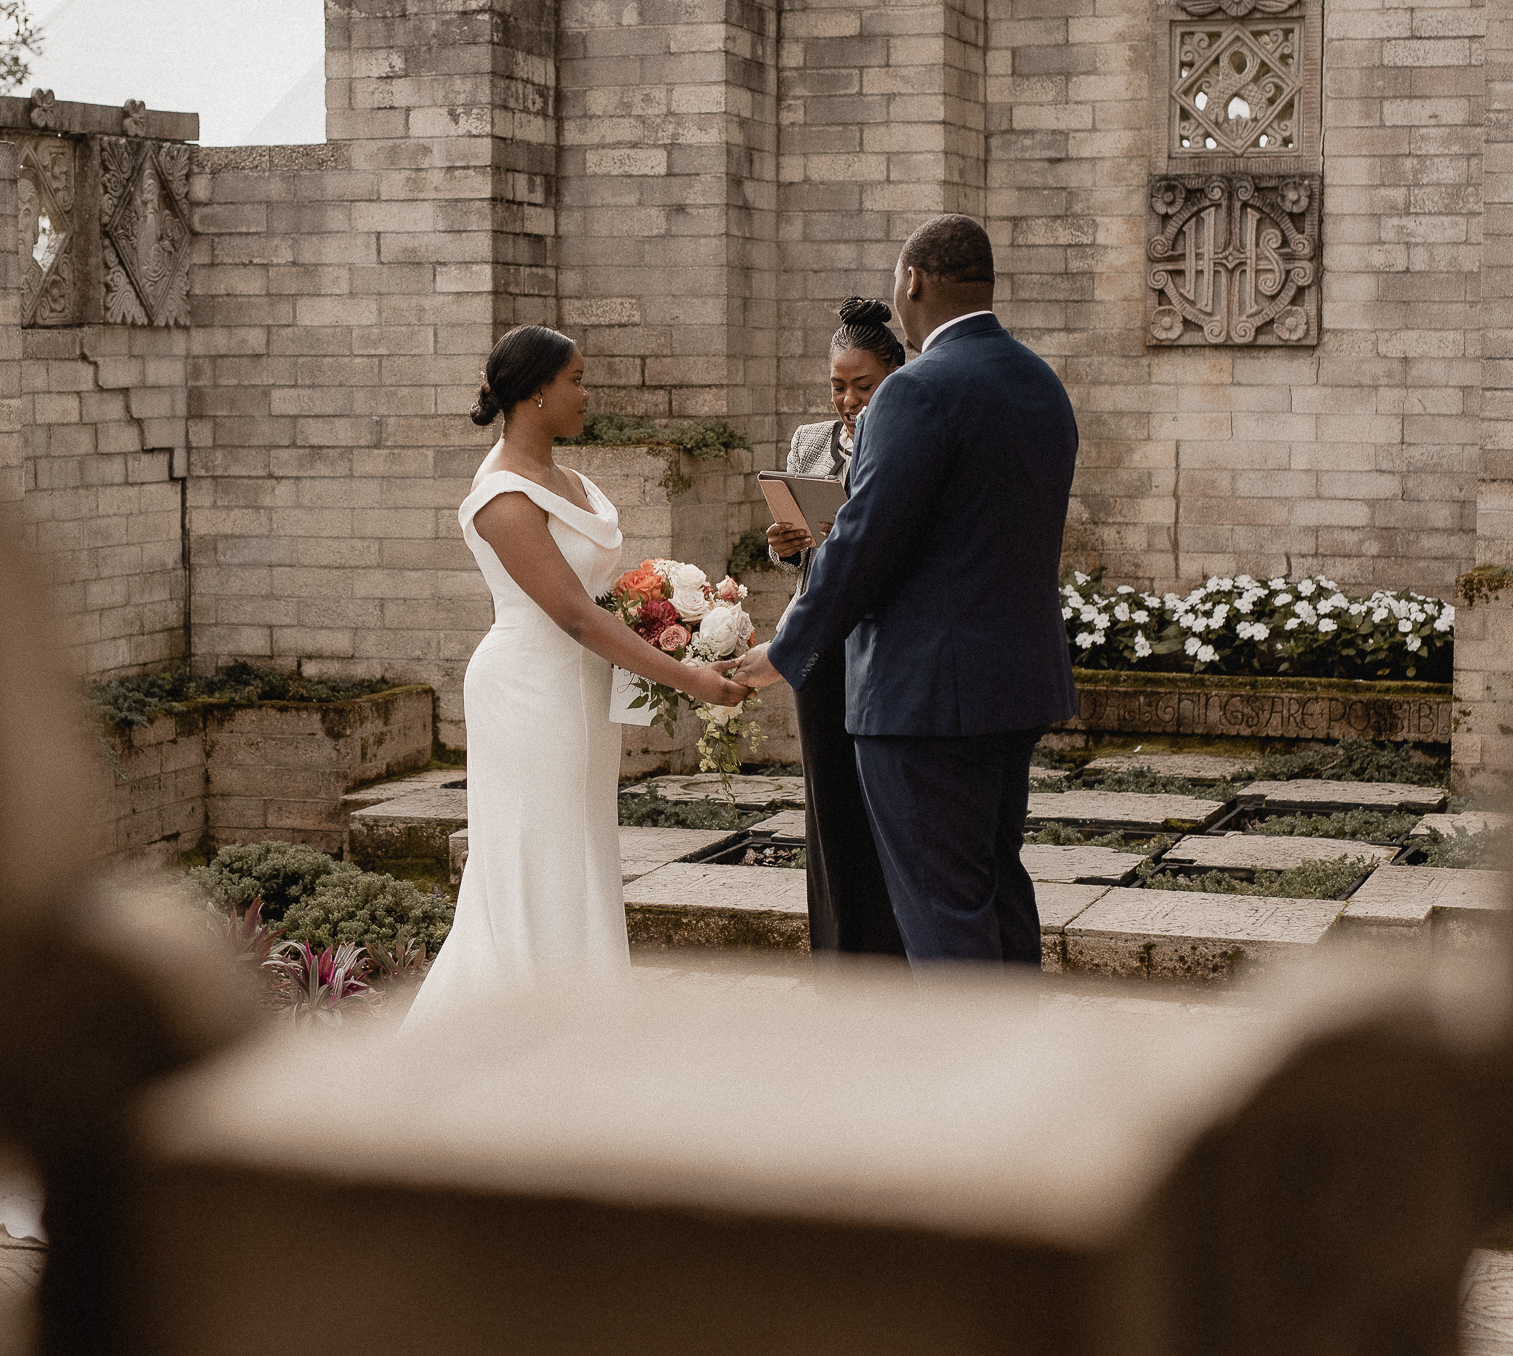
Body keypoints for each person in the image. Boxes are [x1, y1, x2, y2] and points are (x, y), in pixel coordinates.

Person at [733, 216, 1078, 965]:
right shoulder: (1040, 383)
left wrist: (785, 652)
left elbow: (862, 544)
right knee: (998, 887)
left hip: (924, 698)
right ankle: (1022, 1070)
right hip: (1015, 687)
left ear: (913, 281)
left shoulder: (915, 391)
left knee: (942, 910)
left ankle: (963, 1078)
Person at [405, 326, 752, 1027]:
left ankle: (585, 1018)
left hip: (582, 693)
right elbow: (576, 617)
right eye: (577, 379)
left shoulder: (573, 481)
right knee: (539, 852)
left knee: (582, 848)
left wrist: (679, 616)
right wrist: (692, 683)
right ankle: (523, 1024)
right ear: (537, 391)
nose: (588, 393)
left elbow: (605, 601)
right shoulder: (500, 494)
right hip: (529, 690)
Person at [765, 297, 909, 958]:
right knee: (828, 802)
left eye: (862, 384)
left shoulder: (910, 438)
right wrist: (787, 541)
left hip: (885, 643)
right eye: (838, 384)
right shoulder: (809, 441)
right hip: (819, 641)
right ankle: (838, 953)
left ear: (892, 376)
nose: (848, 398)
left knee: (887, 798)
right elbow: (792, 553)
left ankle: (893, 949)